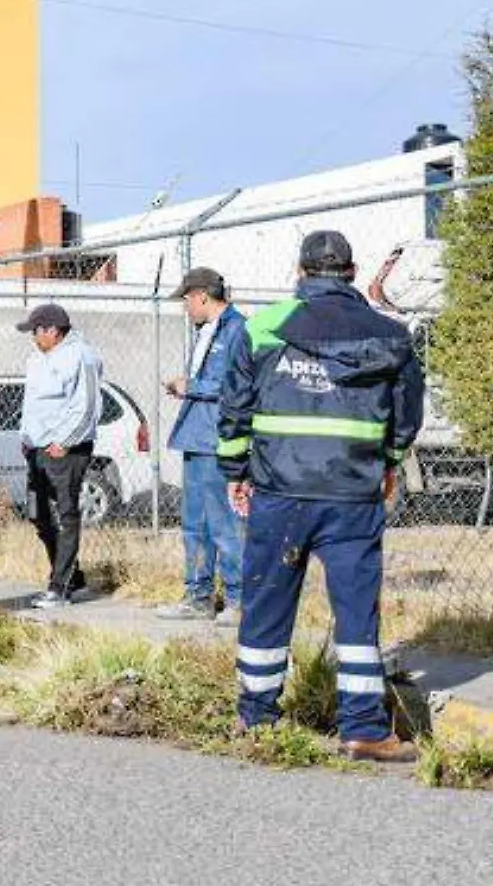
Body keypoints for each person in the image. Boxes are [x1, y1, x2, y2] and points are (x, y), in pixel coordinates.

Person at [219, 230, 424, 764]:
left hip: (279, 490)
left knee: (266, 600)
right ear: (353, 274)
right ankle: (362, 728)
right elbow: (407, 413)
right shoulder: (390, 334)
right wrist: (391, 463)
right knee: (357, 612)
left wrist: (234, 469)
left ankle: (255, 718)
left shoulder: (262, 327)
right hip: (352, 494)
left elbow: (235, 405)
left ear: (301, 272)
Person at [156, 267, 248, 628]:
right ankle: (198, 596)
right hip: (197, 437)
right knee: (195, 523)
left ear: (202, 296)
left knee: (224, 524)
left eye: (186, 299)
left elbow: (236, 386)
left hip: (218, 440)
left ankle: (239, 600)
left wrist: (190, 385)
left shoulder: (238, 329)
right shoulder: (207, 332)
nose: (185, 307)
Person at [16, 302, 104, 610]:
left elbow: (89, 405)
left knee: (66, 516)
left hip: (66, 450)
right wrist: (26, 438)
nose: (33, 338)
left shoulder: (82, 356)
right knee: (38, 514)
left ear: (53, 331)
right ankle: (73, 574)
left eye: (36, 331)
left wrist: (66, 441)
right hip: (37, 449)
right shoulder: (38, 358)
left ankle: (60, 586)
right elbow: (33, 404)